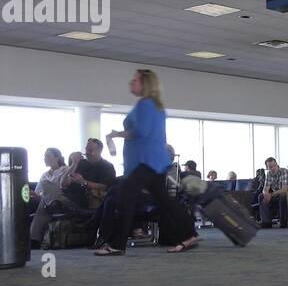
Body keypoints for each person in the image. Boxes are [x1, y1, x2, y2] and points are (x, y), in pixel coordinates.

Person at [97, 69, 198, 255]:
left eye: (135, 80)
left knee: (126, 198)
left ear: (145, 84)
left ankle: (117, 245)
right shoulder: (155, 106)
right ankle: (190, 234)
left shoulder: (145, 104)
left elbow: (141, 132)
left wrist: (116, 134)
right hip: (153, 161)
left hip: (146, 162)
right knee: (164, 200)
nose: (131, 82)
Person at [28, 148, 74, 248]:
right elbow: (38, 193)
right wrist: (33, 194)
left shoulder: (65, 170)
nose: (45, 158)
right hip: (47, 201)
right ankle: (33, 239)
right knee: (42, 200)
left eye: (48, 156)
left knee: (46, 187)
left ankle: (34, 239)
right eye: (44, 156)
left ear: (57, 158)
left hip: (62, 199)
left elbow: (67, 187)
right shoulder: (44, 175)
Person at [63, 138, 116, 209]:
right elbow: (63, 183)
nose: (87, 153)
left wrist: (83, 182)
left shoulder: (107, 166)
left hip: (90, 201)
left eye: (90, 150)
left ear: (99, 151)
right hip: (71, 199)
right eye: (86, 149)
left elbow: (104, 187)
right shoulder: (80, 163)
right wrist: (74, 163)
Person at [258, 157, 288, 228]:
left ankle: (283, 222)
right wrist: (265, 194)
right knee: (261, 196)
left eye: (274, 165)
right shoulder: (268, 174)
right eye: (270, 167)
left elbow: (284, 189)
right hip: (276, 194)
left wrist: (271, 194)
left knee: (283, 195)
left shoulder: (284, 171)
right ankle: (266, 222)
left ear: (277, 164)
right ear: (267, 168)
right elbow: (265, 188)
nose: (273, 168)